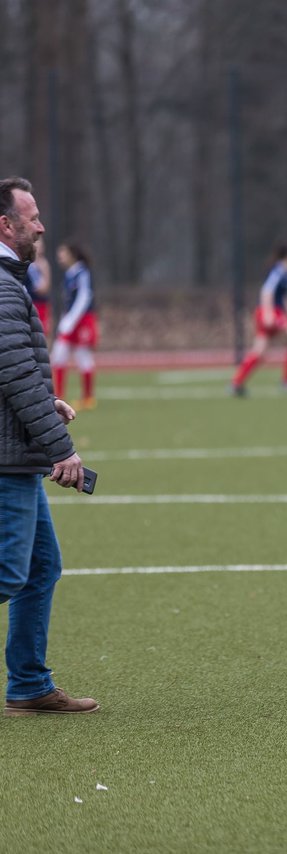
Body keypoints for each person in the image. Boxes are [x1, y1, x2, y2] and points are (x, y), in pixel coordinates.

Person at [0, 176, 98, 716]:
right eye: (31, 215)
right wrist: (62, 448)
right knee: (9, 574)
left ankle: (29, 686)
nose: (40, 224)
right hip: (8, 457)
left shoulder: (12, 279)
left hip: (15, 447)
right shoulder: (2, 284)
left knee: (40, 568)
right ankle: (29, 685)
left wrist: (48, 399)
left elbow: (12, 371)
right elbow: (13, 372)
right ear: (5, 224)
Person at [230, 241, 287, 396]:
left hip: (272, 312)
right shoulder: (278, 271)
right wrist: (268, 313)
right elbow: (266, 291)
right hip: (270, 312)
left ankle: (236, 384)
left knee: (260, 352)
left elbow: (284, 295)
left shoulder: (286, 271)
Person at [50, 241, 98, 410]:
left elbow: (84, 298)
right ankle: (59, 397)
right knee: (59, 355)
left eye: (62, 253)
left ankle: (88, 398)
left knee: (83, 357)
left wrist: (70, 320)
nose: (60, 257)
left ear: (72, 254)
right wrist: (65, 319)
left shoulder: (82, 272)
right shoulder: (69, 274)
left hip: (82, 320)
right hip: (70, 321)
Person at [23, 236, 51, 333]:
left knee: (41, 331)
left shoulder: (43, 263)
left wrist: (41, 286)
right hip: (28, 303)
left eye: (41, 244)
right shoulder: (26, 262)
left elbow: (46, 287)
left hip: (40, 303)